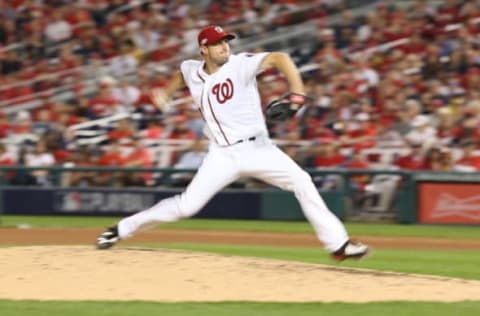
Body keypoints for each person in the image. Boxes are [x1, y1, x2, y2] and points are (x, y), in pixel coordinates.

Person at [96, 25, 369, 261]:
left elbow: (280, 58)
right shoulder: (192, 69)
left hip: (258, 149)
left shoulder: (240, 64)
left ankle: (339, 245)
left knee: (302, 181)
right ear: (204, 49)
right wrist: (166, 93)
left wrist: (297, 93)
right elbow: (182, 73)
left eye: (226, 41)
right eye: (217, 43)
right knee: (186, 206)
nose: (224, 46)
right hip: (222, 155)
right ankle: (120, 230)